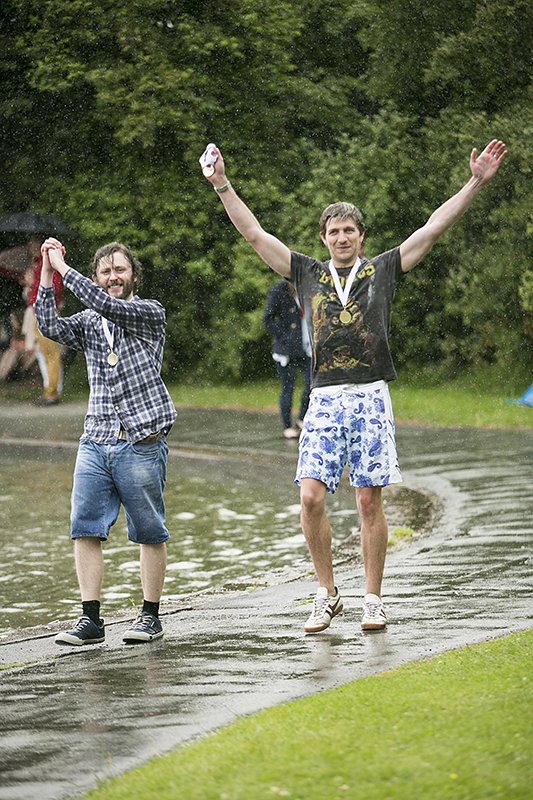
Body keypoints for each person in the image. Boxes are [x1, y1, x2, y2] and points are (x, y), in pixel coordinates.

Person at [200, 138, 507, 633]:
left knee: (368, 500)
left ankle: (372, 598)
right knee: (310, 497)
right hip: (323, 396)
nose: (341, 238)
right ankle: (326, 593)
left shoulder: (381, 269)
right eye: (334, 231)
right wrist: (222, 185)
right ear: (323, 238)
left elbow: (433, 227)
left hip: (370, 394)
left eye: (349, 230)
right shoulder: (306, 273)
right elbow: (255, 234)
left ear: (361, 237)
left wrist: (474, 182)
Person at [34, 238, 177, 646]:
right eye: (105, 271)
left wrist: (64, 268)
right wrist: (47, 273)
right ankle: (91, 620)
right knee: (85, 528)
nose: (113, 277)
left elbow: (105, 304)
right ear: (97, 276)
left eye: (120, 270)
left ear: (134, 276)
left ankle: (150, 617)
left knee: (149, 531)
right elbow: (49, 325)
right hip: (96, 440)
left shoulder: (148, 313)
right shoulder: (89, 322)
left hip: (141, 440)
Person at [264, 279, 312, 438]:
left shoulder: (309, 288)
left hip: (306, 347)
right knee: (288, 387)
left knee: (312, 384)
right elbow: (268, 319)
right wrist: (284, 336)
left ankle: (302, 418)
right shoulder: (278, 291)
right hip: (285, 350)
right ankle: (287, 426)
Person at [27, 235, 65, 405]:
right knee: (44, 353)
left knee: (51, 353)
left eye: (34, 244)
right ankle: (50, 389)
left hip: (46, 312)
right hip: (38, 311)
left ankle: (52, 393)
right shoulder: (38, 263)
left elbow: (54, 288)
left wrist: (33, 282)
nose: (32, 247)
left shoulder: (47, 263)